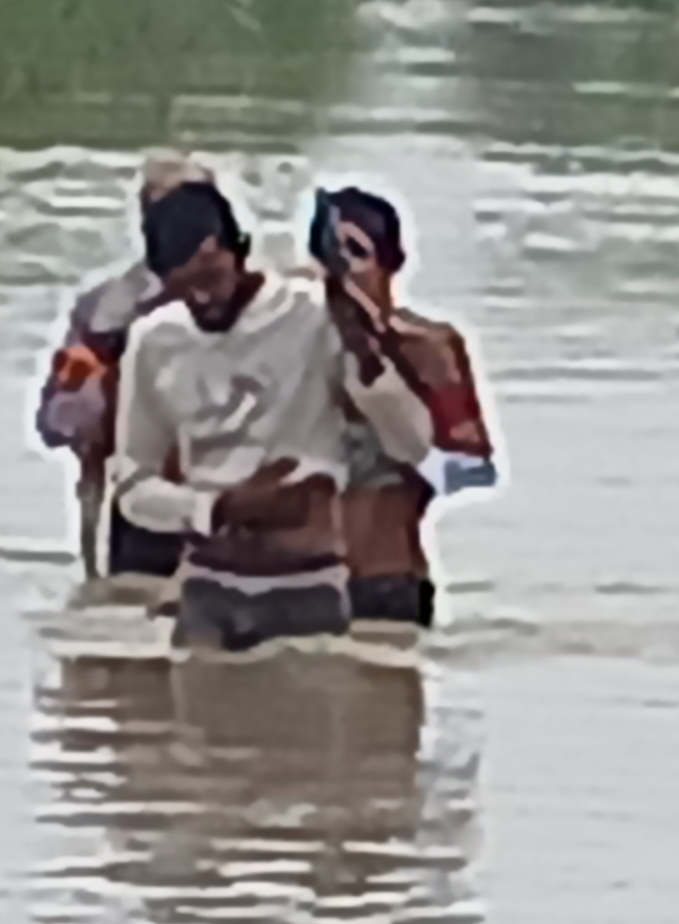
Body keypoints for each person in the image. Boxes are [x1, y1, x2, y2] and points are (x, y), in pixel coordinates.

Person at [112, 179, 437, 654]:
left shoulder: (313, 313)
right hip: (207, 587)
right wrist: (220, 508)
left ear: (239, 250)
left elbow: (413, 445)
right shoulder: (153, 341)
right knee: (193, 728)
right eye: (183, 288)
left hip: (307, 587)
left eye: (211, 277)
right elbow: (132, 487)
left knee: (311, 722)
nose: (203, 301)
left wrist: (364, 349)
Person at [308, 188, 496, 631]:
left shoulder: (427, 346)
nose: (341, 273)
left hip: (387, 580)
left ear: (393, 261)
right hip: (301, 584)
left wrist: (398, 411)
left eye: (356, 253)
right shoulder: (292, 344)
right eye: (330, 255)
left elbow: (474, 470)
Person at [36, 156, 207, 584]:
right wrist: (105, 384)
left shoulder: (256, 302)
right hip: (132, 503)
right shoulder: (106, 310)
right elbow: (58, 423)